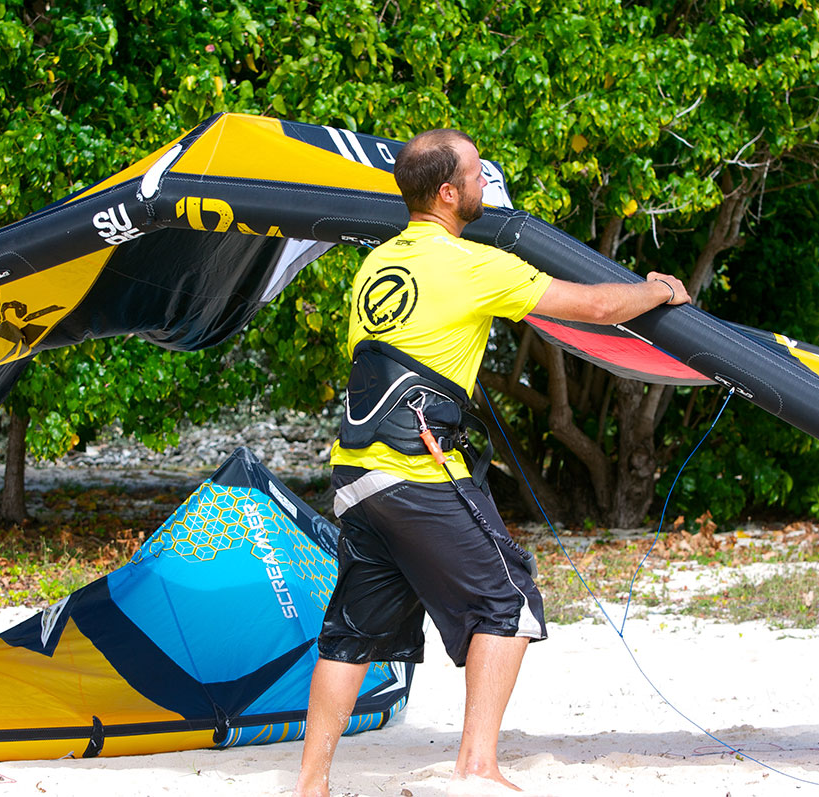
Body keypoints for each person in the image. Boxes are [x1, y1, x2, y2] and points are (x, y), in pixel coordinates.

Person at [293, 129, 690, 797]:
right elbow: (593, 307)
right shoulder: (472, 264)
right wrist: (653, 291)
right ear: (447, 193)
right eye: (478, 175)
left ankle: (312, 784)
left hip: (355, 472)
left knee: (351, 629)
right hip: (417, 471)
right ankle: (476, 767)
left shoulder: (376, 267)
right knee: (509, 599)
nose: (486, 184)